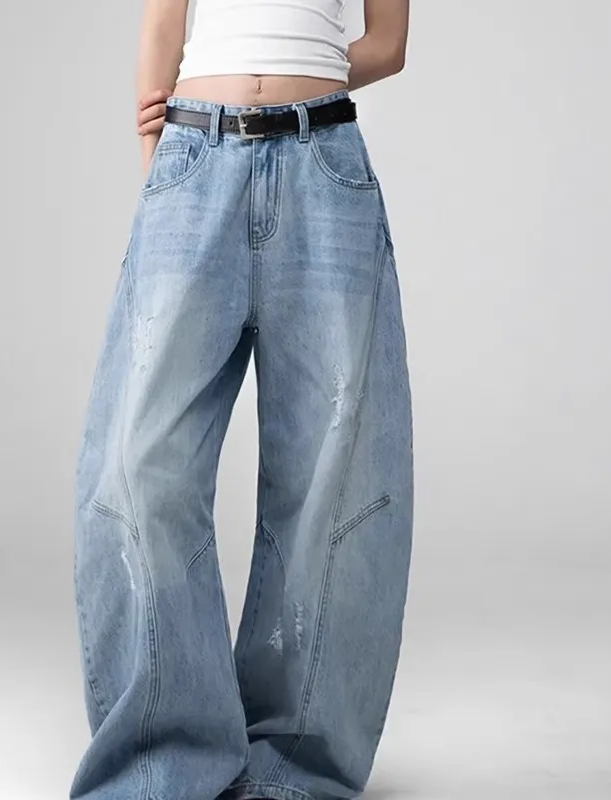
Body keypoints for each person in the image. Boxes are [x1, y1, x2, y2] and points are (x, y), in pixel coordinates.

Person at [70, 1, 413, 798]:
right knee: (139, 467)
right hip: (196, 155)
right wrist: (161, 157)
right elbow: (163, 26)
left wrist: (302, 70)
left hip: (325, 163)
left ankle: (294, 772)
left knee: (334, 481)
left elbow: (389, 43)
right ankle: (161, 767)